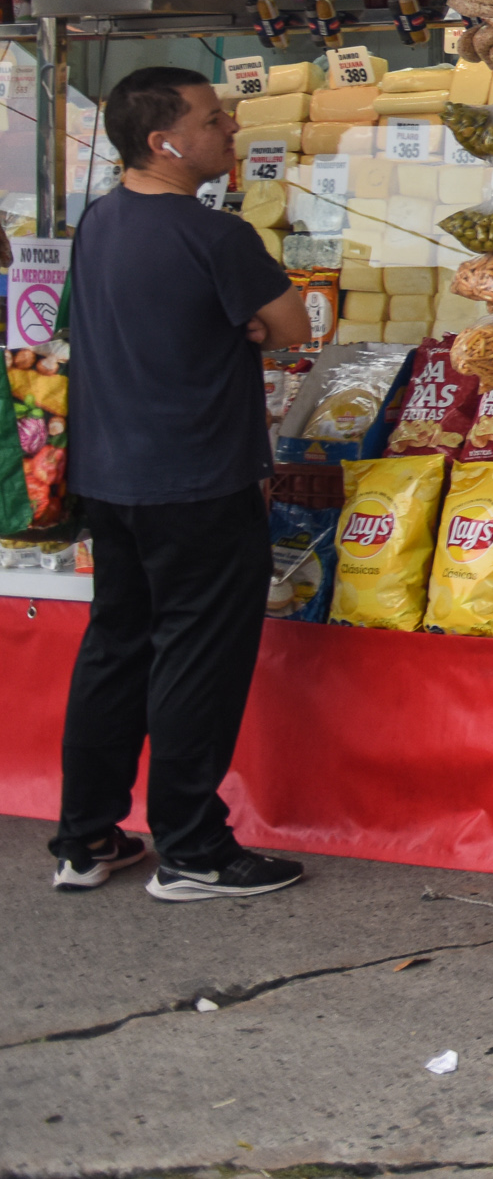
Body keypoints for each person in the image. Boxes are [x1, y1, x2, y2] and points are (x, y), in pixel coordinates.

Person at [52, 67, 313, 899]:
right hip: (197, 476)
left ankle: (86, 836)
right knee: (198, 657)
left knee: (116, 647)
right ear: (165, 141)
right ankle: (194, 849)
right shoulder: (216, 237)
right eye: (211, 118)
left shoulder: (97, 222)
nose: (229, 126)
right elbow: (290, 326)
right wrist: (246, 322)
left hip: (108, 474)